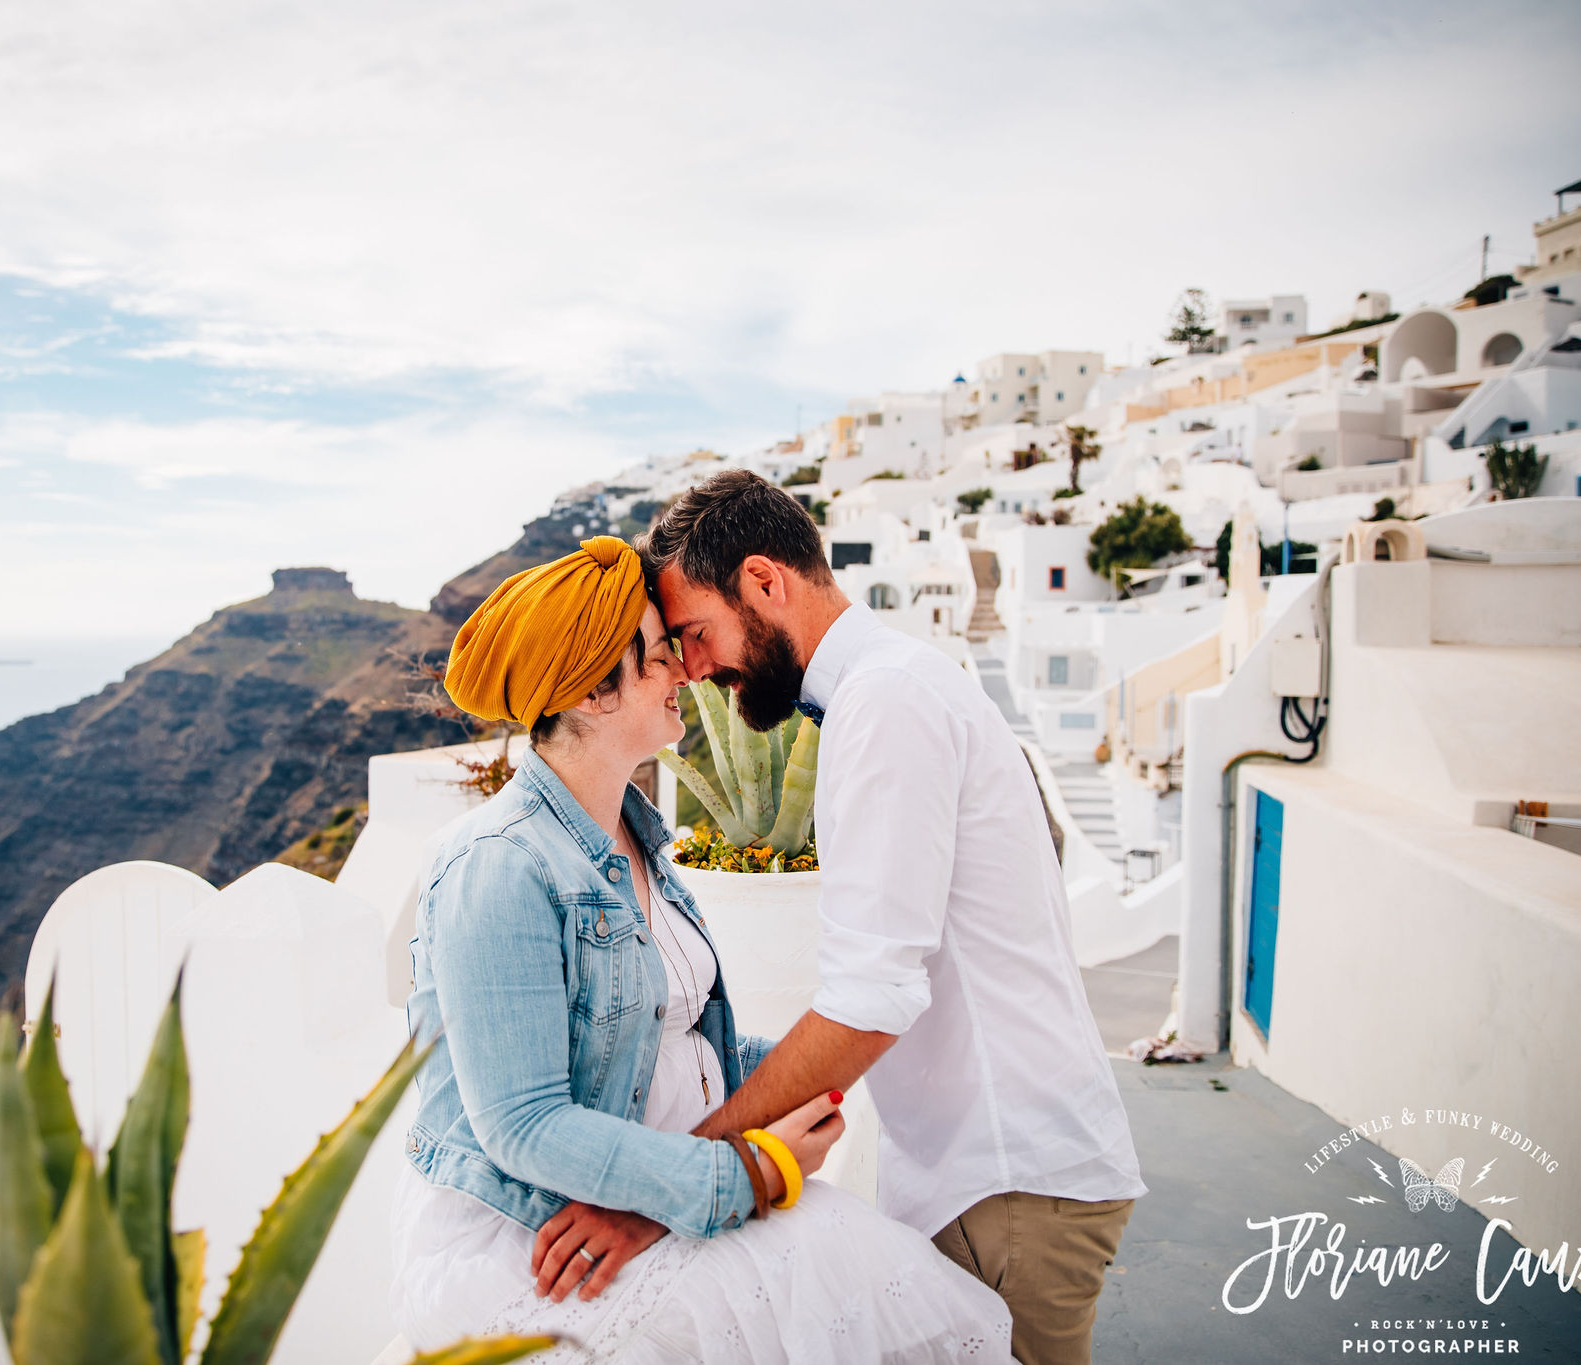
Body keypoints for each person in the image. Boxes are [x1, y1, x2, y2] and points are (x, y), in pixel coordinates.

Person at [551, 469, 1139, 1365]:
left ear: (763, 582)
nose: (697, 667)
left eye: (696, 633)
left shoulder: (885, 703)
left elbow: (872, 995)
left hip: (1009, 1183)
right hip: (1007, 1173)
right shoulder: (904, 683)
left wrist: (676, 1185)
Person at [389, 535, 1014, 1363]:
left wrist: (804, 1095)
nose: (684, 671)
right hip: (541, 1240)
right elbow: (524, 1123)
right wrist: (742, 1175)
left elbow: (681, 1044)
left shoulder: (641, 843)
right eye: (654, 657)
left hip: (649, 1199)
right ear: (589, 693)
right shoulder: (497, 865)